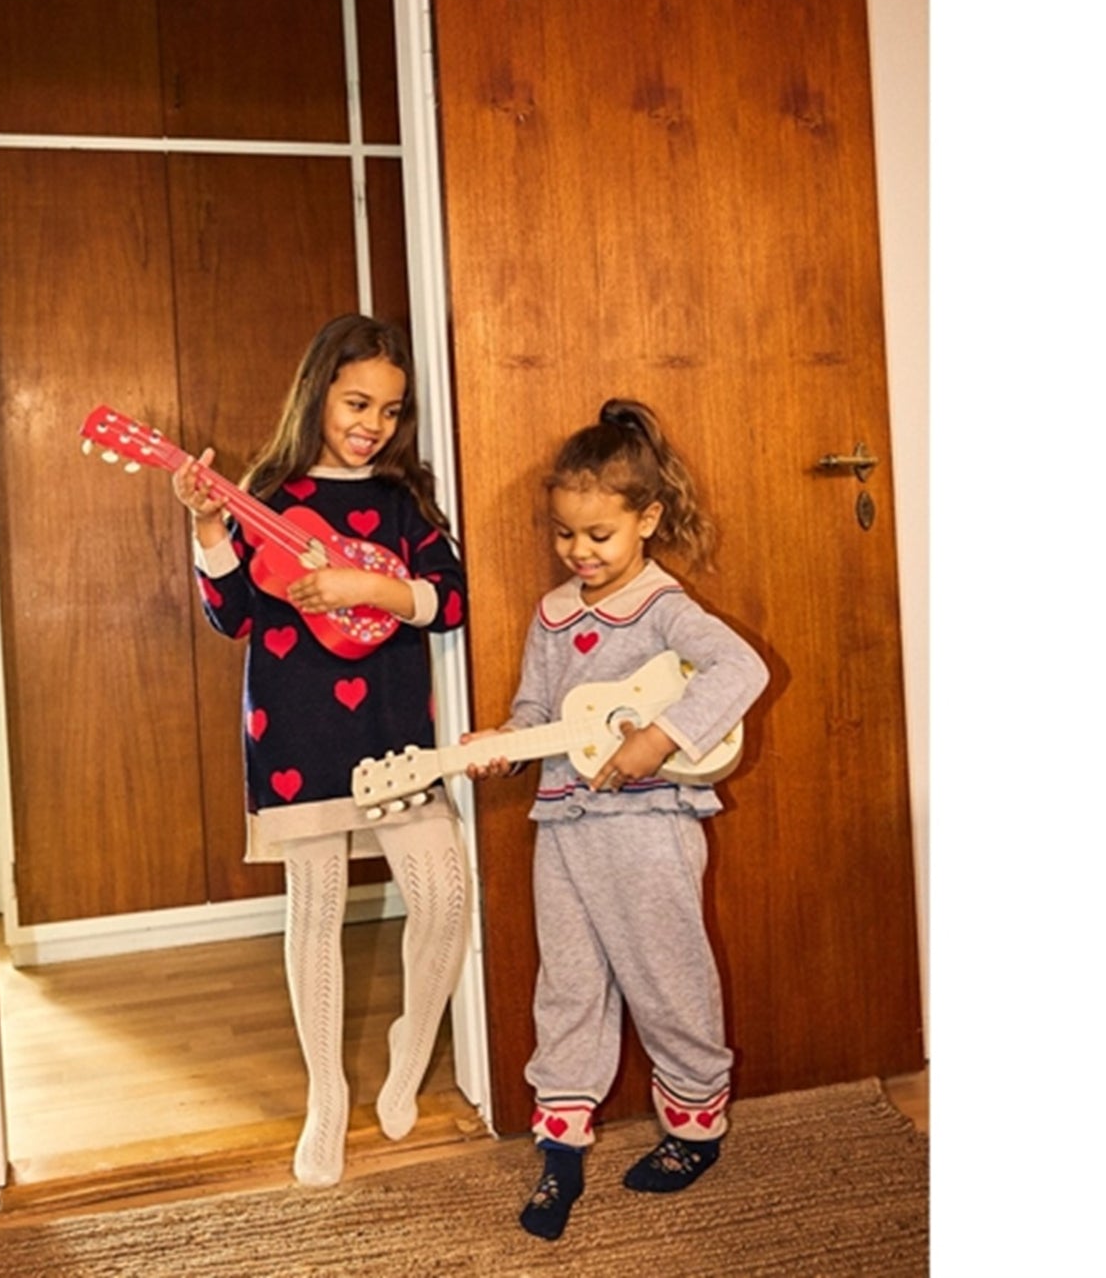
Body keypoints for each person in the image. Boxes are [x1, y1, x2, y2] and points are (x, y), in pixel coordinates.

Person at [172, 313, 471, 1188]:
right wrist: (209, 530)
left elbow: (450, 600)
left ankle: (409, 1045)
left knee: (444, 896)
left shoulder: (404, 499)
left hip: (393, 733)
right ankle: (327, 1096)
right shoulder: (265, 495)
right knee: (316, 915)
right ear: (317, 394)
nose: (372, 423)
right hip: (295, 729)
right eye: (356, 402)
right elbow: (232, 616)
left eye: (390, 408)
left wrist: (368, 585)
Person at [463, 398, 769, 1241]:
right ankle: (561, 1138)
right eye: (566, 534)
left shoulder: (665, 606)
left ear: (648, 520)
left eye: (599, 534)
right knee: (567, 982)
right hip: (563, 823)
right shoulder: (552, 614)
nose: (580, 551)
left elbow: (739, 668)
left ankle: (695, 1126)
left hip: (647, 824)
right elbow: (537, 712)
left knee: (667, 973)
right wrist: (503, 745)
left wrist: (659, 739)